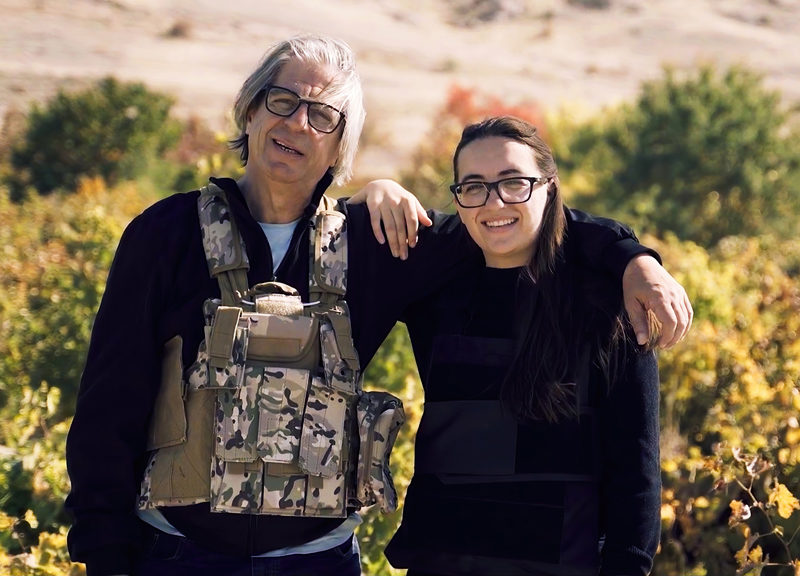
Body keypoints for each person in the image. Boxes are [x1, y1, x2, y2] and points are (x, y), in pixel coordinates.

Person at [64, 35, 685, 576]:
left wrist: (632, 258)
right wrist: (106, 552)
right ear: (249, 111)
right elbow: (110, 398)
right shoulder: (164, 234)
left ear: (342, 148)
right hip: (179, 556)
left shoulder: (377, 243)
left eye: (324, 116)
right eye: (282, 101)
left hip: (322, 560)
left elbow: (514, 219)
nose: (298, 124)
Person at [368, 116, 662, 575]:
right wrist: (375, 192)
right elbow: (342, 239)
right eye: (474, 187)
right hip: (443, 560)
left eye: (514, 183)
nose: (494, 202)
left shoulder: (605, 301)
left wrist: (630, 256)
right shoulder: (436, 286)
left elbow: (636, 464)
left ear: (548, 186)